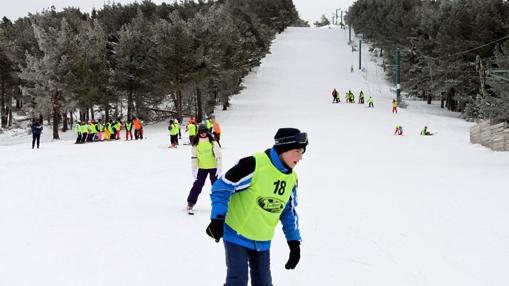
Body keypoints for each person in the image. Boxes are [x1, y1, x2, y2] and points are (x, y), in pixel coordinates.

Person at [206, 128, 308, 286]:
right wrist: (217, 218)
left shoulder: (292, 178)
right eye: (298, 151)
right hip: (236, 233)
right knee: (238, 280)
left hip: (262, 239)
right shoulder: (254, 164)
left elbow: (288, 211)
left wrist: (294, 242)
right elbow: (222, 187)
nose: (301, 157)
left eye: (303, 152)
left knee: (263, 283)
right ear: (284, 149)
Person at [186, 123, 222, 215]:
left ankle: (220, 205)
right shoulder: (196, 142)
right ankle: (190, 203)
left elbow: (218, 155)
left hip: (213, 167)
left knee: (216, 186)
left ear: (207, 131)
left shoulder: (212, 141)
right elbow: (194, 156)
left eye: (204, 132)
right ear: (198, 132)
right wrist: (194, 169)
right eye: (201, 132)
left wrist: (219, 167)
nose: (203, 134)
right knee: (197, 185)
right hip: (202, 167)